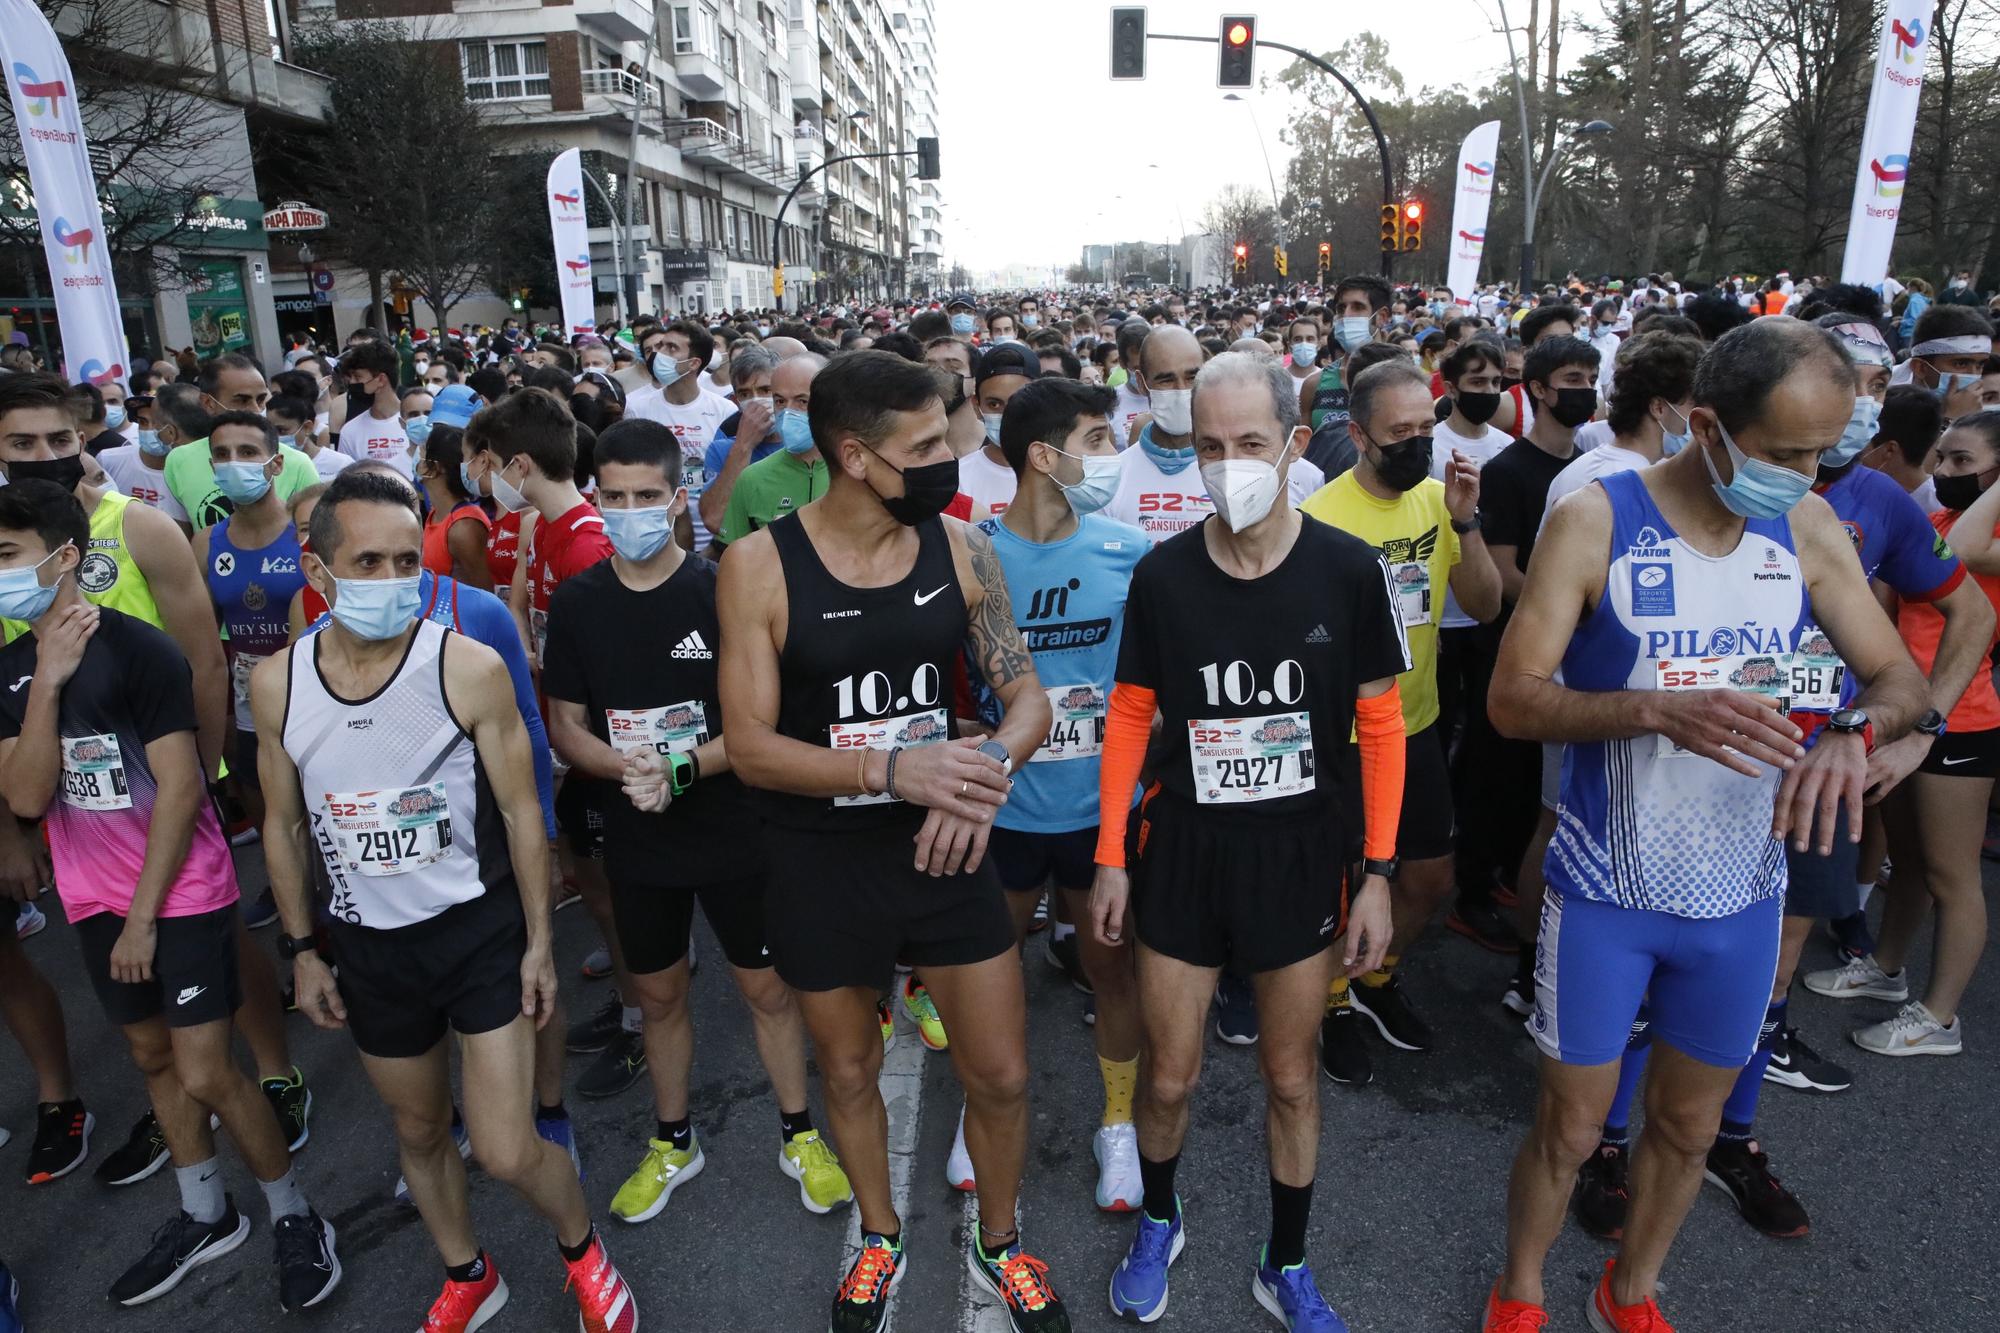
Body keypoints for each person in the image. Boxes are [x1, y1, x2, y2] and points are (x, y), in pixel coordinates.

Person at [1482, 319, 1928, 1333]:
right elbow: (1512, 699)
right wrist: (1648, 707)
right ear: (1704, 426)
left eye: (1819, 452)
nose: (1807, 474)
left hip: (1739, 894)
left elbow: (1893, 673)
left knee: (1684, 1128)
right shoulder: (1597, 519)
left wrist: (1849, 732)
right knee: (1569, 1126)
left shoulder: (1804, 527)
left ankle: (1627, 1290)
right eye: (1782, 454)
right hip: (1605, 892)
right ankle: (1518, 1289)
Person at [717, 351, 1070, 1333]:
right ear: (854, 455)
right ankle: (881, 1235)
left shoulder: (961, 547)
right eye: (922, 447)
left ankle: (1000, 1244)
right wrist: (889, 770)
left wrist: (981, 770)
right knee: (848, 1072)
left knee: (998, 1072)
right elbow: (746, 746)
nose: (947, 459)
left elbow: (1027, 694)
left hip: (944, 848)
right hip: (818, 861)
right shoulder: (756, 564)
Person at [252, 468, 637, 1333]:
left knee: (503, 1146)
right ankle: (469, 1271)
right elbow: (280, 826)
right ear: (319, 575)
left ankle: (582, 1250)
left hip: (476, 933)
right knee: (420, 1130)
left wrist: (540, 940)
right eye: (368, 563)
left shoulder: (464, 665)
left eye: (405, 562)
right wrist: (303, 947)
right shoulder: (278, 683)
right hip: (369, 946)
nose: (394, 583)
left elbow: (519, 807)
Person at [1091, 352, 1408, 1330]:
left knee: (1286, 1074)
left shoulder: (1346, 570)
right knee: (1171, 1071)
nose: (1229, 464)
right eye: (1210, 446)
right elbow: (1130, 716)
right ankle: (1158, 1216)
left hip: (1299, 857)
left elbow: (1382, 725)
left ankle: (1286, 1259)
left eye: (1251, 445)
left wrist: (1379, 876)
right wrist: (1110, 853)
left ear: (1292, 442)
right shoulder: (1162, 574)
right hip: (1183, 853)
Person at [0, 479, 340, 1311]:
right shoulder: (12, 669)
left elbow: (183, 789)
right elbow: (27, 795)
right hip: (92, 898)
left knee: (206, 1069)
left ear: (64, 556)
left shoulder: (141, 652)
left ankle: (296, 1215)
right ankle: (204, 1211)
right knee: (153, 1058)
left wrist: (145, 917)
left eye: (7, 556)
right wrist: (46, 682)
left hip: (178, 889)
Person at [542, 418, 853, 1223]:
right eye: (613, 496)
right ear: (596, 498)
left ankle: (799, 1131)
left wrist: (680, 766)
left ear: (678, 499)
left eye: (646, 495)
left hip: (732, 826)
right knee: (658, 994)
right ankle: (674, 1139)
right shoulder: (578, 600)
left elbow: (761, 719)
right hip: (639, 830)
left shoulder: (722, 587)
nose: (629, 510)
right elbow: (566, 724)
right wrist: (627, 769)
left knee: (767, 989)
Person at [972, 377, 1146, 1209]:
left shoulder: (1129, 550)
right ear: (1045, 456)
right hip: (1002, 810)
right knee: (988, 971)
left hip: (1098, 813)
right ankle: (985, 1112)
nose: (1115, 456)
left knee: (1111, 972)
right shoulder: (971, 554)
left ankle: (1118, 1125)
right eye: (1101, 440)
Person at [1302, 359, 1500, 1085]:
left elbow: (1484, 605)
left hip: (1415, 726)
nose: (1419, 443)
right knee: (1343, 882)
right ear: (1358, 434)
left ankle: (1374, 976)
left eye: (1427, 427)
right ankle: (1329, 1002)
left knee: (1426, 876)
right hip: (1342, 739)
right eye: (1401, 432)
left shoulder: (1437, 501)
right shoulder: (1319, 517)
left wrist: (1466, 521)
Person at [1807, 408, 2000, 1058]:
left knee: (1953, 874)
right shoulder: (1941, 518)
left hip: (1961, 718)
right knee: (1910, 858)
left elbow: (1968, 559)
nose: (1942, 472)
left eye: (1961, 462)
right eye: (1942, 457)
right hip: (1896, 709)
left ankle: (1940, 1017)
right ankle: (1887, 969)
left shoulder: (1981, 531)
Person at [194, 411, 310, 896]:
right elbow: (200, 640)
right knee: (265, 804)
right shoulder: (206, 543)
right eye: (221, 455)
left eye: (247, 453)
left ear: (276, 464)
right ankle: (289, 893)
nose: (232, 464)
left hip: (311, 693)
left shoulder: (307, 532)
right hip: (245, 704)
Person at [1105, 326, 1323, 548]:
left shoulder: (1294, 471)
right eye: (1166, 379)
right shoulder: (1114, 477)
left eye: (1192, 376)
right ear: (1142, 383)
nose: (1182, 390)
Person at [622, 322, 730, 553]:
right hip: (659, 533)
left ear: (693, 363)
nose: (660, 354)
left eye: (671, 348)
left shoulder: (724, 410)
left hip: (712, 532)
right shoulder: (636, 408)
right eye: (660, 347)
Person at [716, 354, 830, 550]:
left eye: (802, 401)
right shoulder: (751, 478)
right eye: (779, 401)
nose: (788, 412)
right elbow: (733, 554)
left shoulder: (857, 472)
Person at [694, 345, 781, 538]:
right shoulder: (721, 450)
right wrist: (744, 445)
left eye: (765, 390)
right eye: (745, 394)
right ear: (735, 400)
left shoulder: (806, 445)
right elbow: (714, 520)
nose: (756, 400)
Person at [960, 342, 1041, 516]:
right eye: (994, 404)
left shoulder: (1063, 472)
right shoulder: (959, 480)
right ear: (977, 406)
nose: (1007, 414)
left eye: (1018, 401)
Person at [416, 417, 493, 589]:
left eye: (422, 449)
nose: (417, 455)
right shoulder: (436, 515)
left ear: (435, 466)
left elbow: (486, 594)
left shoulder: (465, 526)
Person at [335, 340, 413, 477]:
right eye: (351, 377)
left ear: (381, 380)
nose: (352, 383)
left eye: (358, 377)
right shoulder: (350, 431)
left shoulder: (416, 423)